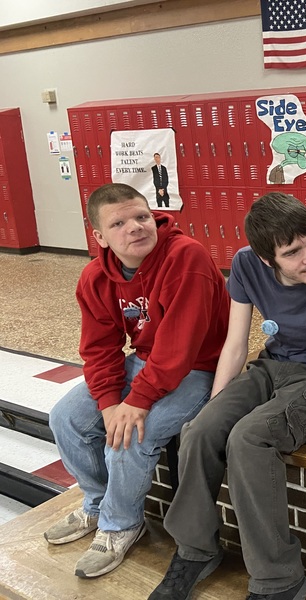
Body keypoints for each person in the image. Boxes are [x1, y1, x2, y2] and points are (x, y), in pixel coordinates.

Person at [150, 192, 306, 600]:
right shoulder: (244, 264)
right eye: (293, 252)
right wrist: (217, 404)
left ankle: (279, 580)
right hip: (272, 366)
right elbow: (236, 343)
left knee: (249, 439)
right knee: (201, 429)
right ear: (265, 258)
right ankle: (196, 549)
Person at [44, 183, 230, 579]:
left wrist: (137, 402)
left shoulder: (186, 257)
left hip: (200, 368)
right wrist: (110, 403)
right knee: (66, 418)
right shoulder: (96, 277)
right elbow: (99, 348)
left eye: (142, 216)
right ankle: (97, 504)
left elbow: (180, 347)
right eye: (119, 223)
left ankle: (120, 525)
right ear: (99, 236)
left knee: (131, 437)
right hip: (145, 362)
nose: (135, 227)